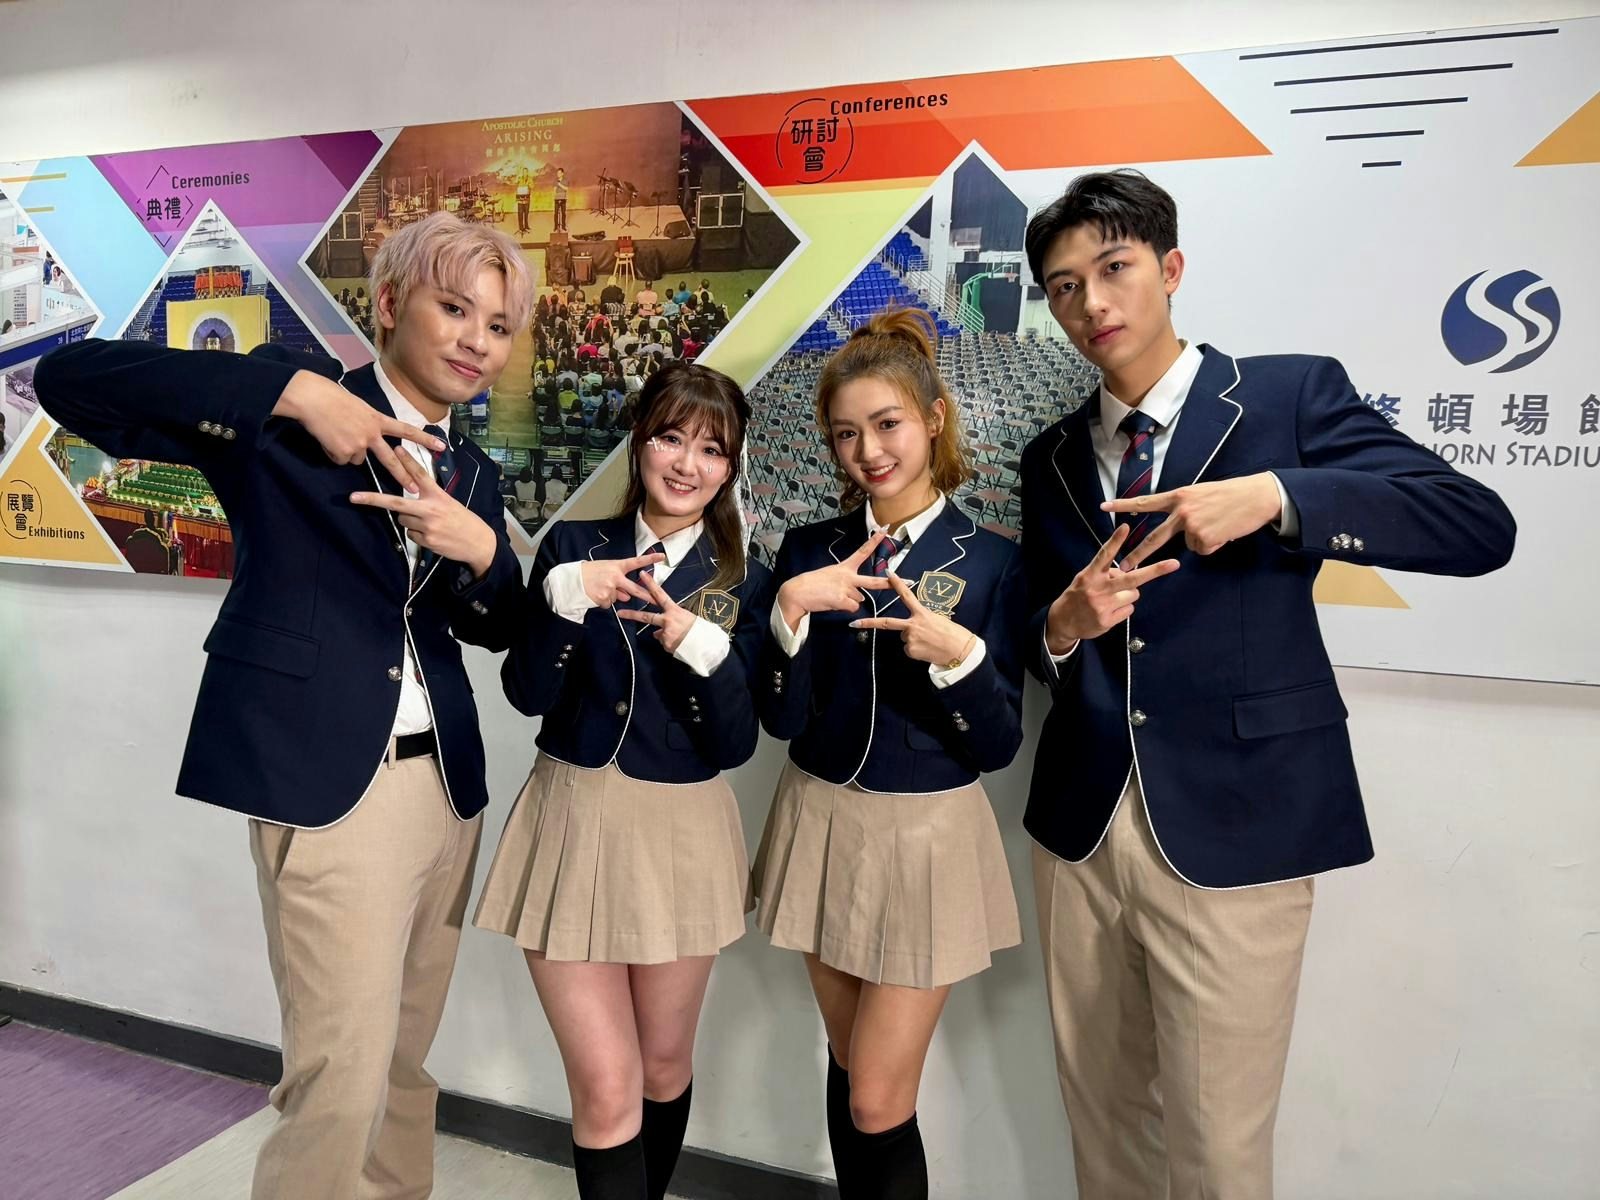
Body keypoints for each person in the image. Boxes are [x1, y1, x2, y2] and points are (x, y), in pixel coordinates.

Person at [1019, 169, 1516, 1200]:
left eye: (1113, 269)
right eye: (1064, 287)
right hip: (1079, 829)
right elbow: (1038, 635)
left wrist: (1278, 495)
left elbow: (1477, 525)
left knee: (1219, 1149)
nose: (1092, 304)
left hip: (1236, 821)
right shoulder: (1051, 456)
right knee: (1102, 1128)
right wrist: (1062, 626)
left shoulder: (1287, 397)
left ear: (1170, 268)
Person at [33, 210, 536, 1199]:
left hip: (447, 788)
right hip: (333, 787)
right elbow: (68, 380)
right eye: (454, 308)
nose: (478, 340)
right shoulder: (287, 416)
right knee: (338, 1080)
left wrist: (483, 553)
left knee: (403, 1066)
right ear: (388, 304)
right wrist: (296, 391)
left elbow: (496, 627)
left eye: (500, 325)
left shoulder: (473, 472)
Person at [476, 362, 772, 1200]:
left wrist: (702, 651)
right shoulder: (572, 548)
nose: (687, 464)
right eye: (671, 438)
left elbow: (737, 743)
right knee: (606, 1089)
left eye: (711, 449)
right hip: (570, 815)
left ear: (731, 467)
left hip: (682, 828)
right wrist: (566, 599)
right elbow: (526, 694)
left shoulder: (744, 579)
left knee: (663, 1066)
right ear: (640, 441)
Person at [752, 306, 1025, 1199]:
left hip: (928, 836)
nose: (867, 451)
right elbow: (778, 721)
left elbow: (999, 743)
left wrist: (960, 660)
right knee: (847, 1067)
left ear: (934, 419)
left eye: (887, 424)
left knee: (876, 1097)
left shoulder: (992, 562)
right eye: (846, 433)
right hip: (819, 818)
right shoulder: (807, 552)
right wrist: (790, 614)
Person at [553, 166, 570, 233]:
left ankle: (563, 226)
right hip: (557, 198)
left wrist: (559, 184)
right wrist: (555, 195)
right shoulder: (555, 181)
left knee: (563, 213)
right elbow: (554, 190)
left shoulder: (565, 180)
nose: (558, 174)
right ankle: (555, 226)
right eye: (557, 173)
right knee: (556, 213)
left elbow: (566, 189)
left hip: (563, 198)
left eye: (559, 173)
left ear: (562, 173)